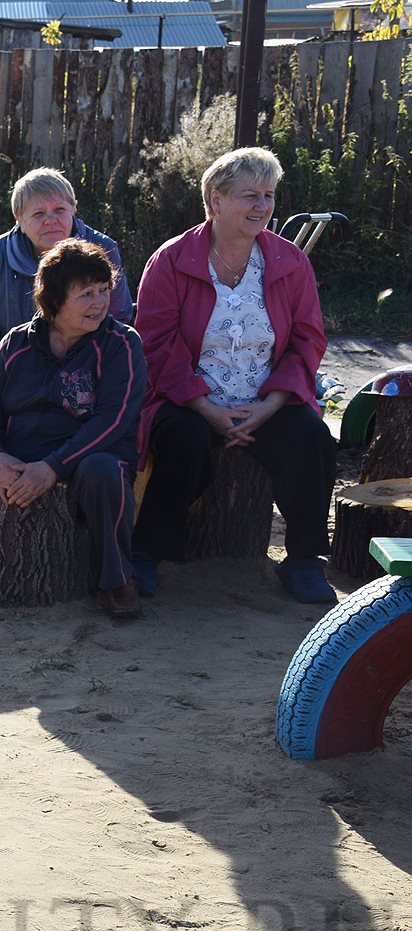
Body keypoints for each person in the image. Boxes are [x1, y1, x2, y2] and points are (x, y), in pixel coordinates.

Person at [131, 147, 336, 604]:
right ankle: (147, 554)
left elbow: (308, 340)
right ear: (216, 200)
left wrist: (271, 405)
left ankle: (304, 561)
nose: (262, 206)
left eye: (269, 195)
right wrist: (206, 408)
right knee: (180, 439)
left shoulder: (290, 262)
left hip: (266, 400)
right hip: (187, 399)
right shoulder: (172, 260)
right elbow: (156, 344)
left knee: (312, 439)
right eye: (250, 196)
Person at [0, 239, 148, 619]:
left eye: (104, 290)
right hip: (14, 456)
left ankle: (117, 579)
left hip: (85, 460)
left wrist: (52, 467)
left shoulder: (122, 344)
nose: (99, 303)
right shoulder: (16, 342)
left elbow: (113, 420)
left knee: (105, 470)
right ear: (54, 298)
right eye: (86, 294)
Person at [0, 167, 133, 436]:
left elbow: (118, 321)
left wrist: (71, 372)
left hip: (85, 366)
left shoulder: (103, 249)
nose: (51, 220)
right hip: (9, 366)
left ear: (73, 209)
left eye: (59, 210)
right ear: (19, 219)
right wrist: (11, 373)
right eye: (38, 214)